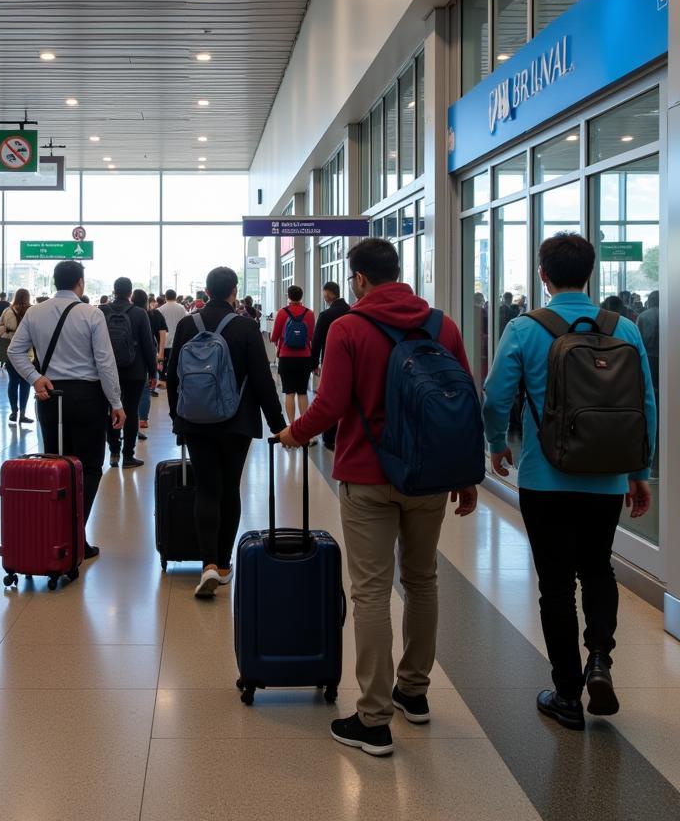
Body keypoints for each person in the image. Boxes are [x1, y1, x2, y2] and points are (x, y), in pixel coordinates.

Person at [277, 238, 478, 757]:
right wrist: (466, 474)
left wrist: (293, 433)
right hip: (430, 477)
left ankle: (373, 718)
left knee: (370, 591)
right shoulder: (441, 325)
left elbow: (332, 405)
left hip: (369, 476)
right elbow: (463, 398)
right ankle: (413, 692)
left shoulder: (348, 327)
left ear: (360, 279)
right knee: (423, 581)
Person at [483, 233, 656, 731]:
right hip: (606, 478)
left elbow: (496, 397)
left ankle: (566, 693)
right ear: (591, 272)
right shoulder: (622, 327)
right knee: (598, 569)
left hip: (544, 478)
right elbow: (644, 404)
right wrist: (638, 473)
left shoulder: (523, 328)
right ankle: (599, 658)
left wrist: (497, 444)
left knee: (555, 585)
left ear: (543, 275)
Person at [168, 267, 286, 599]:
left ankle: (205, 563)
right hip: (237, 422)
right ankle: (222, 565)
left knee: (206, 488)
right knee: (230, 488)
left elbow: (173, 374)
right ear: (234, 291)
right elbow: (263, 380)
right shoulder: (246, 326)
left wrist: (179, 417)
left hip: (195, 421)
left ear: (206, 290)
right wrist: (279, 427)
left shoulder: (188, 324)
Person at [7, 260, 126, 559]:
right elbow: (105, 362)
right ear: (80, 283)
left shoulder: (35, 312)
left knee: (57, 466)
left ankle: (56, 535)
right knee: (88, 467)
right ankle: (75, 534)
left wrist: (35, 378)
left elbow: (14, 351)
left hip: (50, 396)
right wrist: (116, 402)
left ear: (55, 281)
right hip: (87, 396)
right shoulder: (92, 313)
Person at [101, 277, 157, 468]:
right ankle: (128, 456)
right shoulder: (140, 313)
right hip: (135, 371)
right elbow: (148, 346)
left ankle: (114, 452)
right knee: (131, 411)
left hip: (108, 370)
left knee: (112, 409)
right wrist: (153, 372)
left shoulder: (102, 311)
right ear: (130, 293)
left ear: (114, 291)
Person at [309, 280, 350, 451]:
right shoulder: (351, 311)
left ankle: (329, 436)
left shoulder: (326, 315)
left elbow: (316, 341)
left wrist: (314, 363)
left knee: (329, 397)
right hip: (350, 361)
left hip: (330, 361)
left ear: (328, 294)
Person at [271, 285, 316, 435]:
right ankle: (304, 428)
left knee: (289, 392)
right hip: (304, 358)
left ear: (288, 296)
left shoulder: (282, 313)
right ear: (301, 296)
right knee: (302, 392)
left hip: (286, 357)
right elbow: (311, 336)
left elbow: (273, 337)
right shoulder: (309, 313)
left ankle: (291, 428)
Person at [0, 289, 34, 424]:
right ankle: (23, 413)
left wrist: (8, 331)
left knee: (13, 382)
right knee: (25, 382)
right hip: (27, 352)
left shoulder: (7, 311)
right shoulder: (32, 311)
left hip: (10, 352)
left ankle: (14, 411)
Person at [135, 290, 166, 439]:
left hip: (128, 359)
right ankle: (143, 420)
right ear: (146, 301)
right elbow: (161, 334)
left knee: (127, 395)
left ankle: (131, 423)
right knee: (144, 390)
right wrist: (160, 355)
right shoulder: (153, 314)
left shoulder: (128, 314)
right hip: (147, 357)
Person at [159, 288, 188, 380]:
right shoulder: (181, 308)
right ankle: (174, 377)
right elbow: (185, 321)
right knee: (175, 361)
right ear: (175, 297)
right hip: (178, 339)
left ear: (165, 297)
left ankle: (163, 377)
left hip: (164, 340)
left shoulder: (160, 309)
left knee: (164, 360)